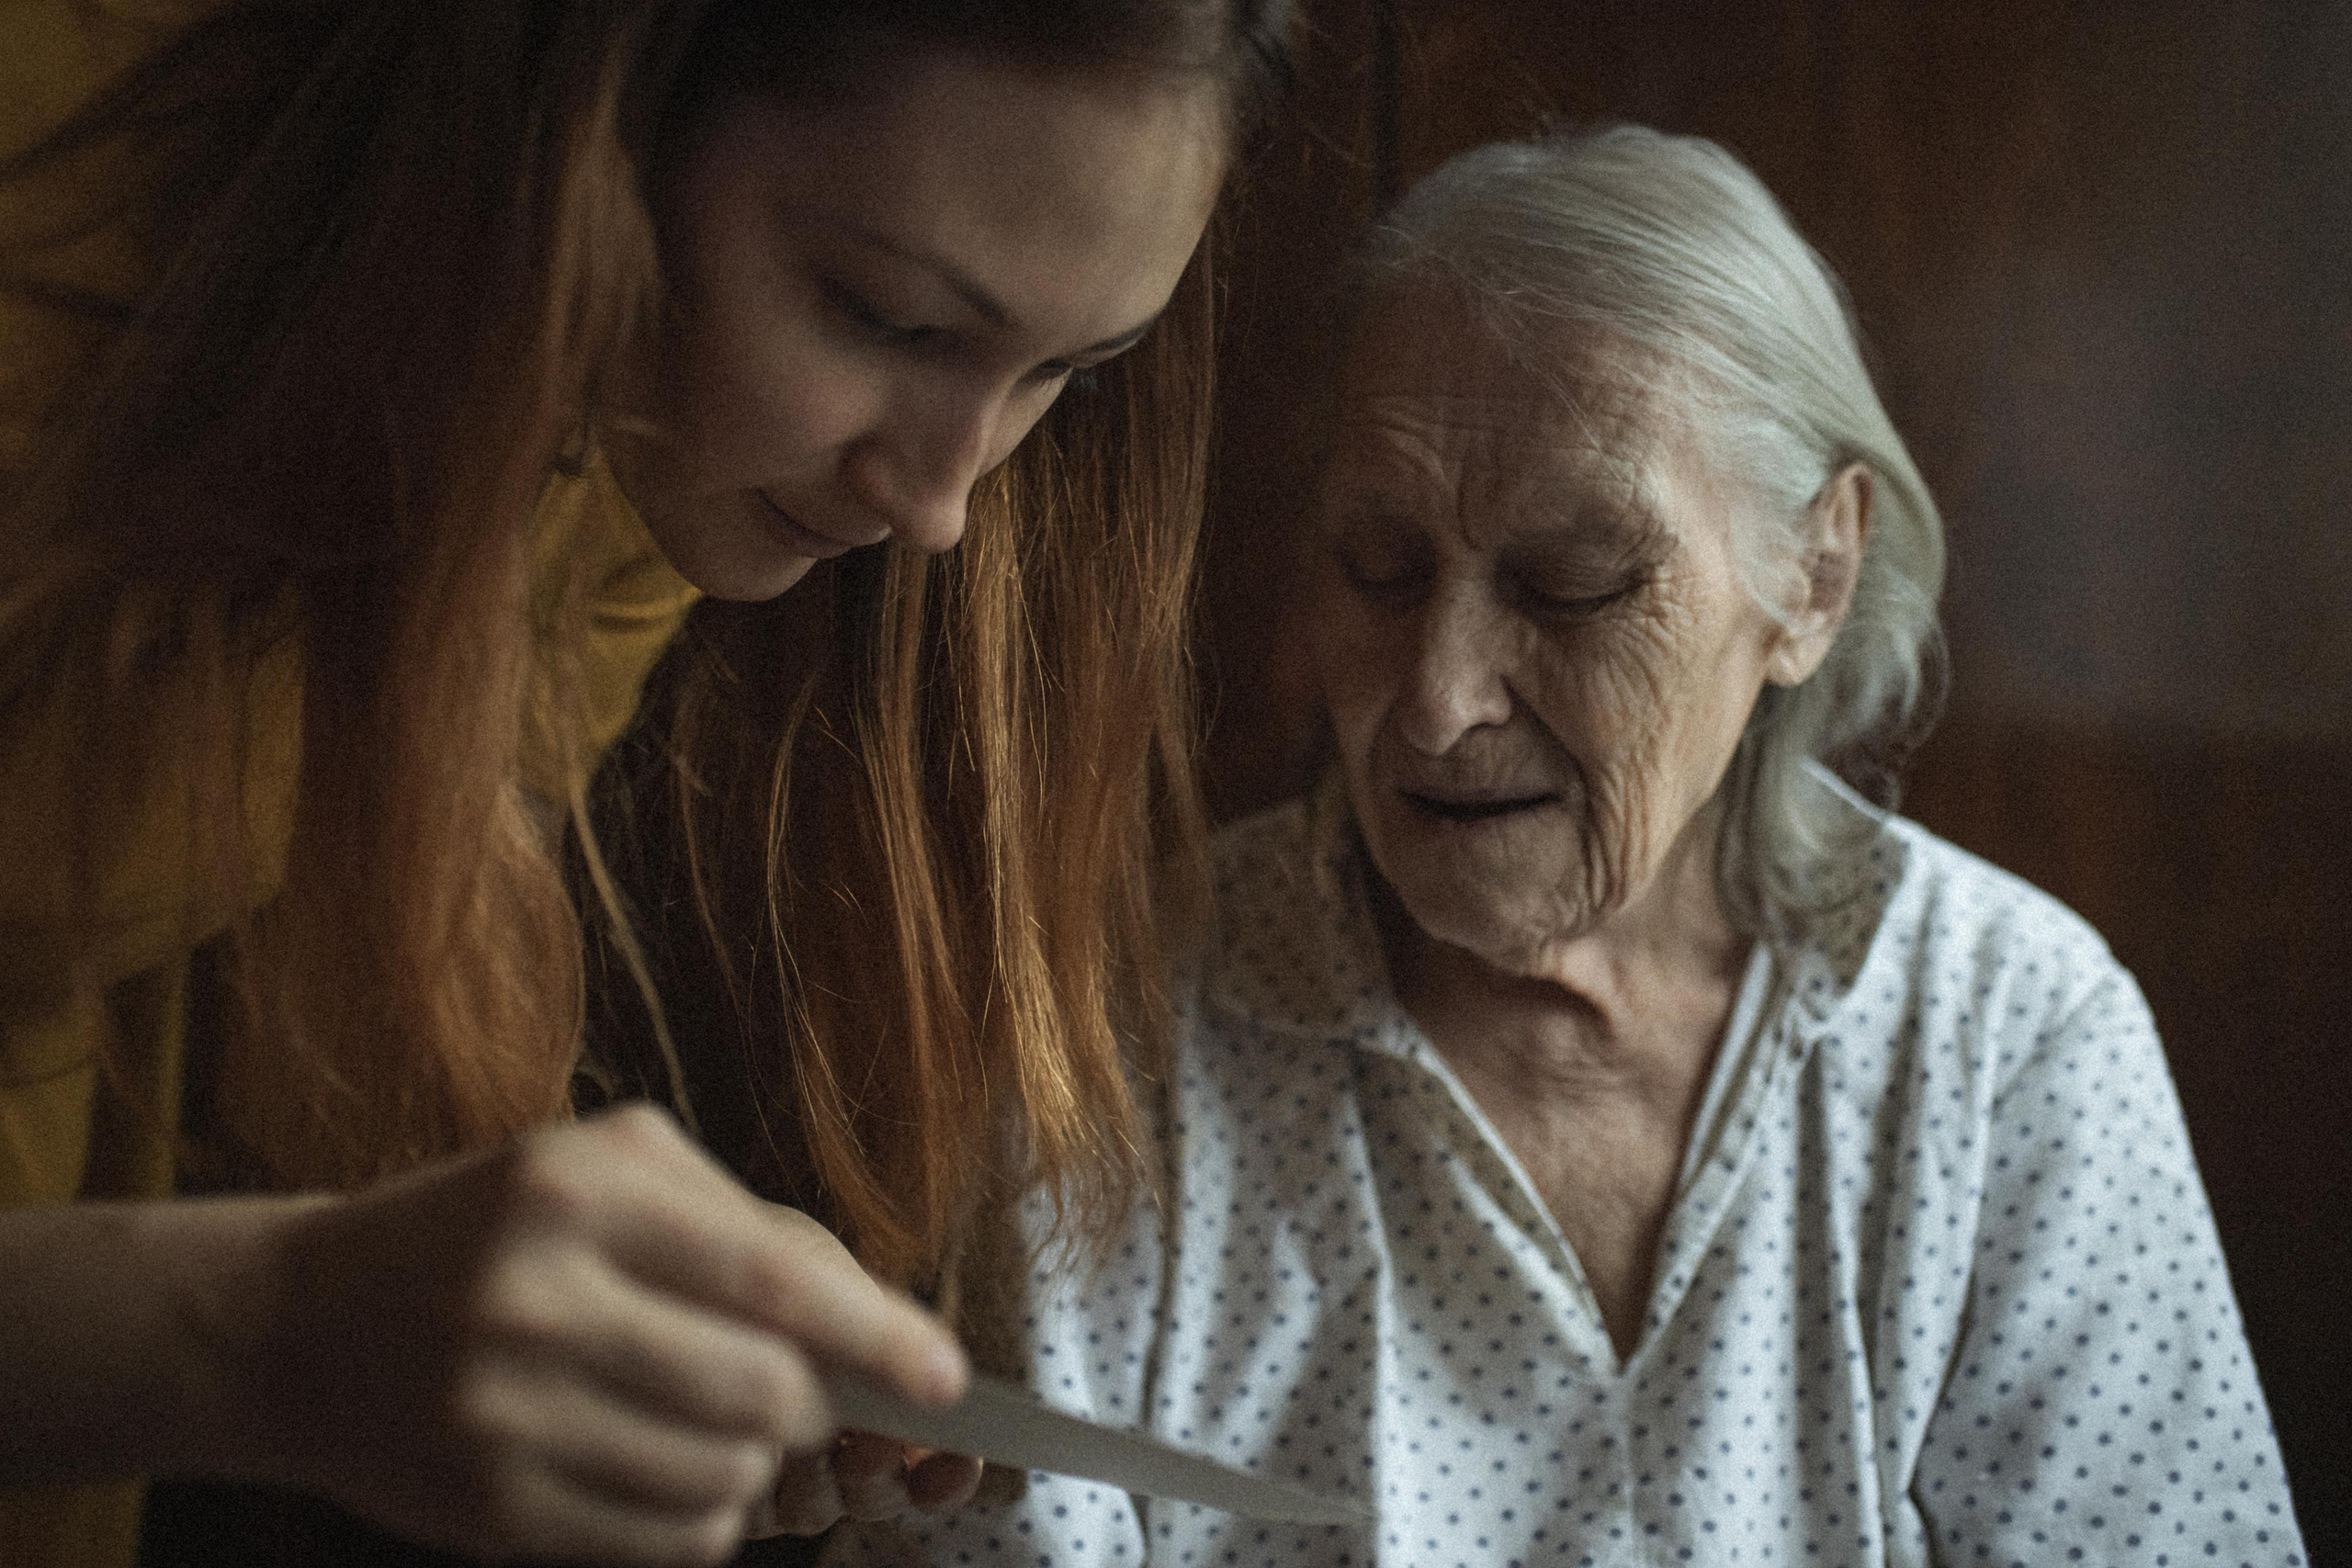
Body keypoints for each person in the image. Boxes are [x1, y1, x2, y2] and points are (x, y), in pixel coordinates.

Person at [826, 126, 2309, 1566]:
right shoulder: (1122, 1023)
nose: (1438, 697)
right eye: (1380, 568)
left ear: (1812, 575)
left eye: (1575, 582)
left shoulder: (2009, 1037)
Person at [0, 2, 1292, 1564]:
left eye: (1067, 375)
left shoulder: (620, 430)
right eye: (884, 317)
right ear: (593, 100)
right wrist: (250, 1339)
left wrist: (645, 1329)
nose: (947, 503)